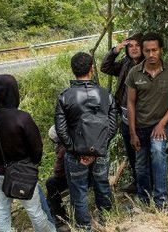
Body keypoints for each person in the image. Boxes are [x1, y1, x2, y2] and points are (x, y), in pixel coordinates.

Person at [0, 75, 55, 232]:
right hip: (22, 171)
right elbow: (37, 148)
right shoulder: (22, 118)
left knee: (3, 211)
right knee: (34, 212)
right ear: (13, 92)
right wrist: (32, 163)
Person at [54, 52, 117, 230]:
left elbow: (61, 130)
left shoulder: (65, 97)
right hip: (101, 152)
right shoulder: (105, 95)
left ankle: (83, 227)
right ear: (91, 69)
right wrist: (97, 149)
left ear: (73, 70)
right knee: (102, 185)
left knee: (78, 192)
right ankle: (108, 222)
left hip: (75, 155)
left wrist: (76, 151)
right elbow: (112, 126)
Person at [126, 32, 168, 210]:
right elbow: (131, 103)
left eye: (154, 50)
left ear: (161, 51)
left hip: (160, 126)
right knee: (141, 166)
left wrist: (162, 123)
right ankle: (144, 200)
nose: (151, 54)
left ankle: (161, 201)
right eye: (147, 50)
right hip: (140, 127)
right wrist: (132, 132)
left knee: (158, 155)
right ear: (142, 51)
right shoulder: (134, 73)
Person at [100, 32, 144, 193]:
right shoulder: (126, 62)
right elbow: (105, 67)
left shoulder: (147, 64)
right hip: (125, 114)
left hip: (142, 116)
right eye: (130, 46)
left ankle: (145, 184)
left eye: (137, 45)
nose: (133, 49)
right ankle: (137, 181)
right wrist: (115, 50)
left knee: (143, 151)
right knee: (131, 151)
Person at [45, 125, 69, 229]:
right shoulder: (70, 139)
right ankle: (55, 212)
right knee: (51, 189)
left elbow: (58, 172)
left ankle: (59, 215)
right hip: (80, 173)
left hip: (72, 177)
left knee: (50, 183)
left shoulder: (62, 148)